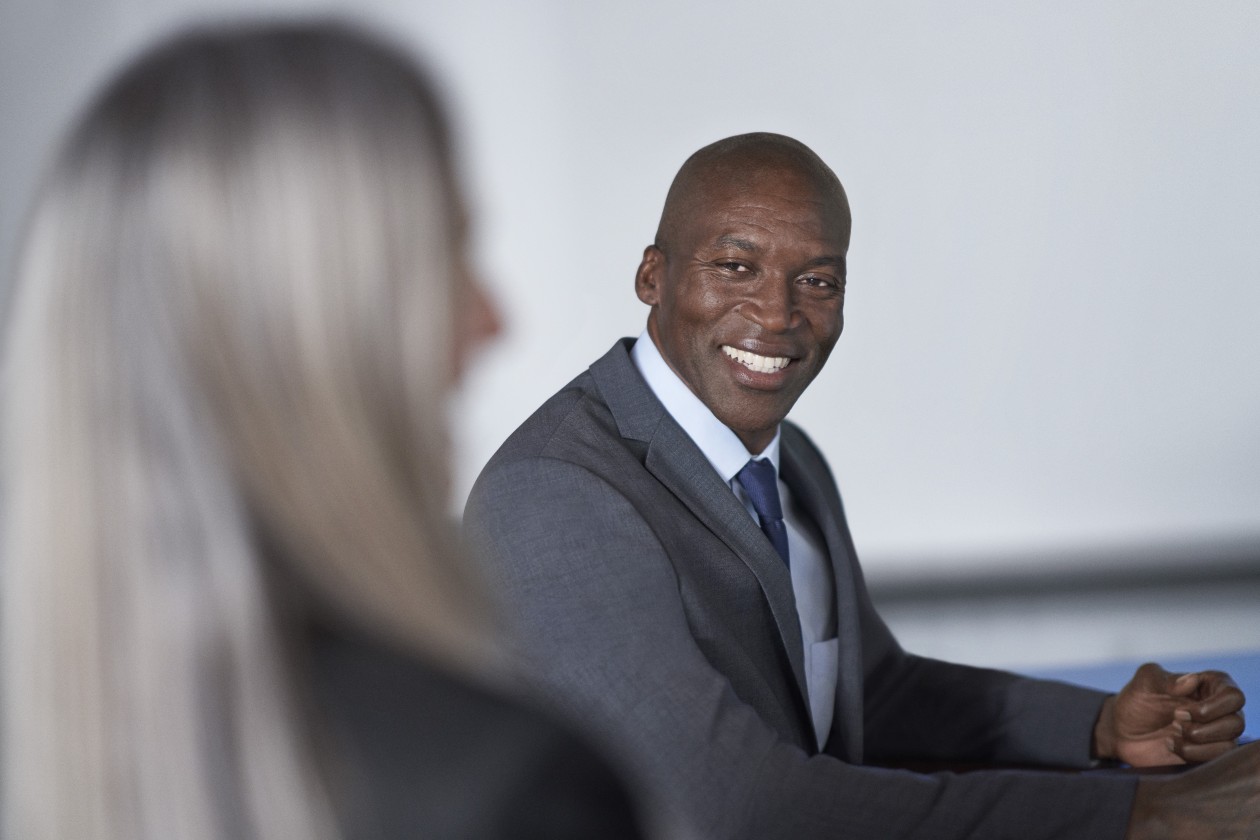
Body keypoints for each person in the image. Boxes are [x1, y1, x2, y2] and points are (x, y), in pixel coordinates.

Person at [465, 132, 1259, 839]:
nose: (776, 314)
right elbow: (738, 808)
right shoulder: (555, 495)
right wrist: (1141, 815)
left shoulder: (790, 458)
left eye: (817, 281)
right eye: (735, 266)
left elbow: (869, 694)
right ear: (652, 277)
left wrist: (1101, 726)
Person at [0, 21, 645, 840]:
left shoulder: (58, 754)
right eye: (448, 252)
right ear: (307, 339)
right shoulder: (512, 790)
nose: (493, 321)